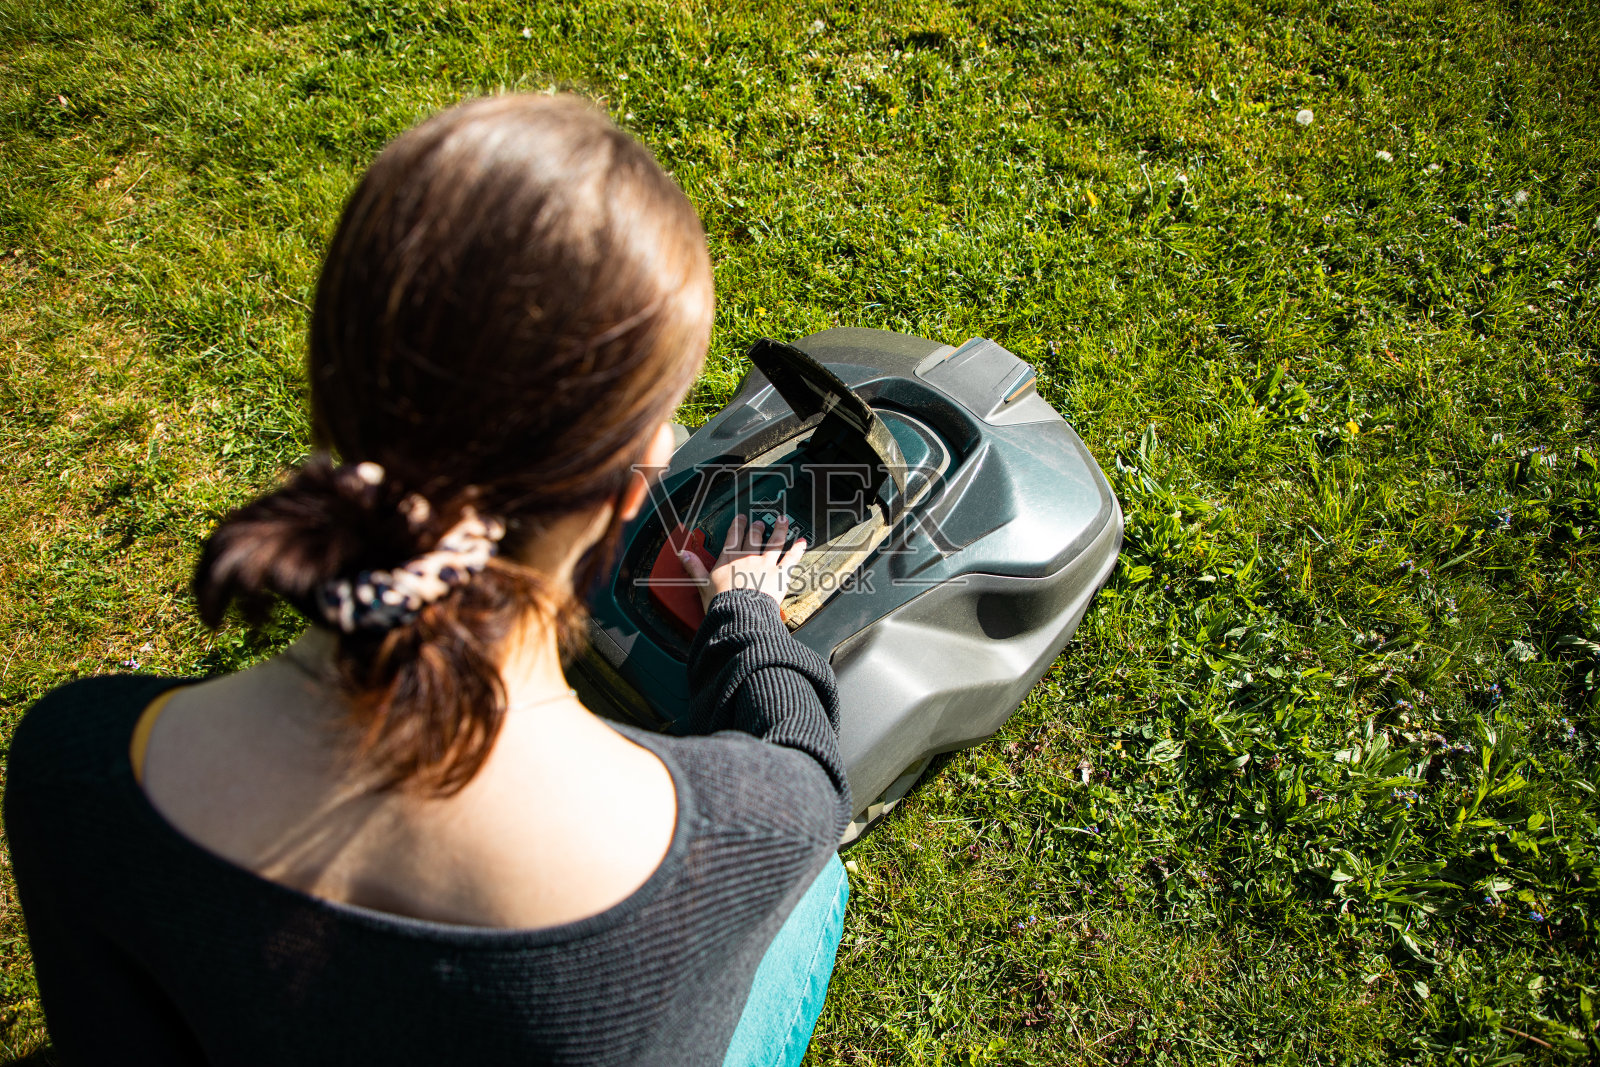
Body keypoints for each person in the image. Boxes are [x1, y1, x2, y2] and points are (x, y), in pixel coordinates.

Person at [4, 94, 852, 1066]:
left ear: (332, 391)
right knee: (816, 886)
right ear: (637, 477)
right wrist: (744, 610)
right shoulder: (746, 828)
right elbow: (808, 765)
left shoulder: (78, 765)